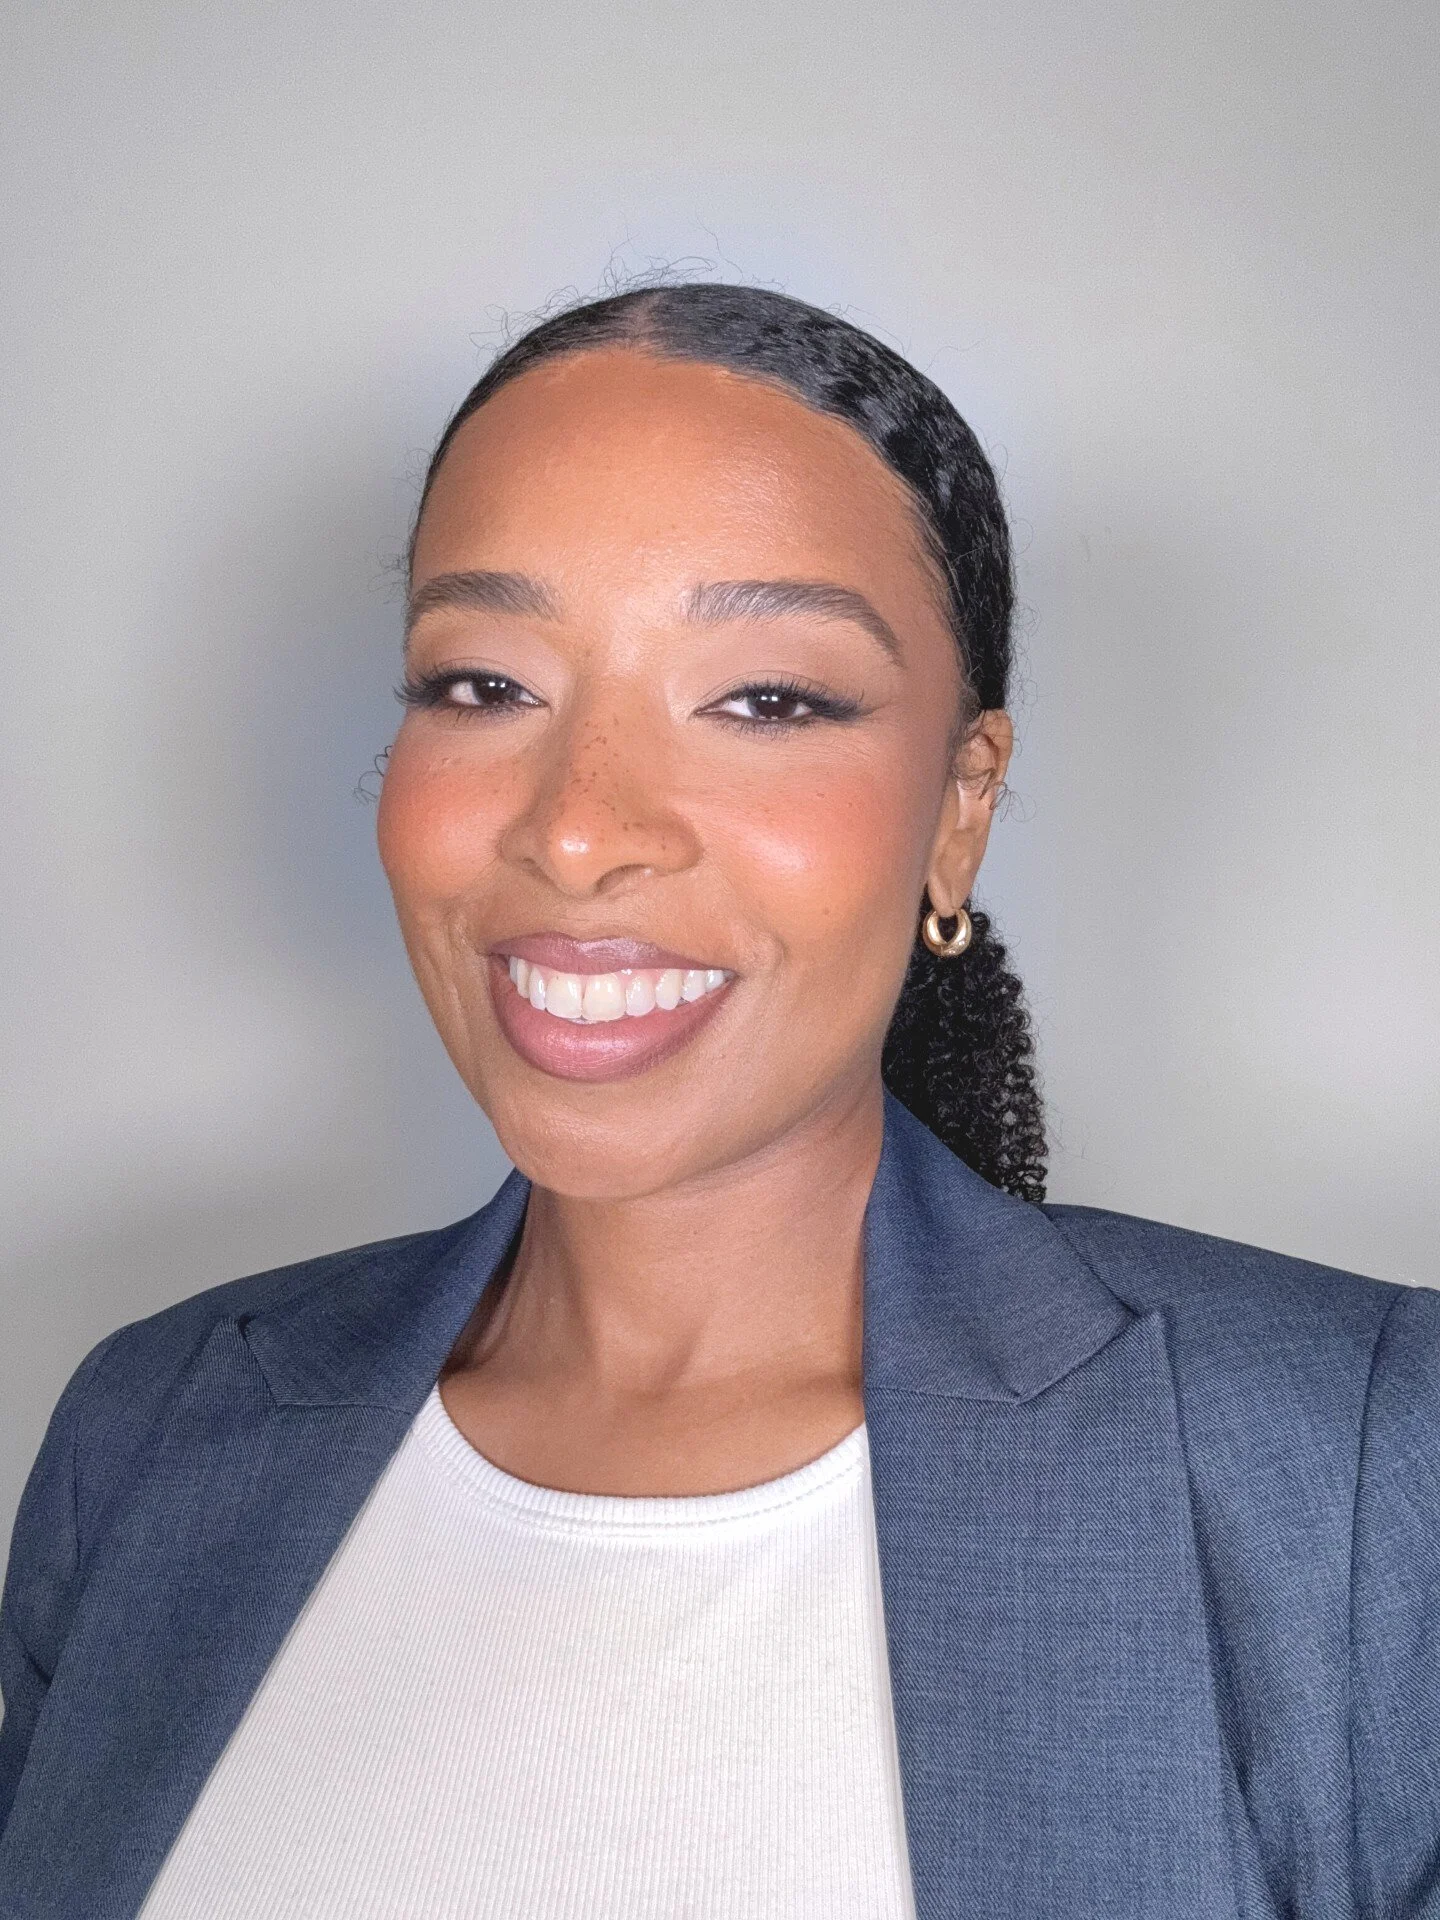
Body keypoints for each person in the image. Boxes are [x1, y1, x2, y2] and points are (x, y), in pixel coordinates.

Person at [1, 283, 1436, 1920]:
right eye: (481, 685)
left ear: (959, 813)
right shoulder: (156, 1432)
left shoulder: (1363, 1467)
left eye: (767, 700)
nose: (579, 827)